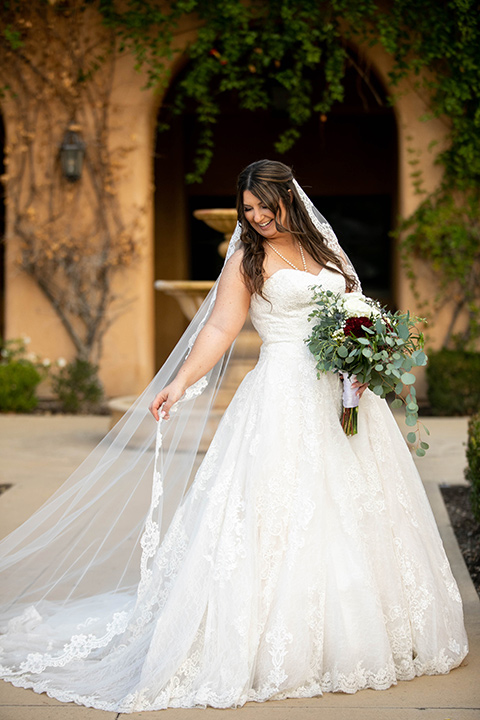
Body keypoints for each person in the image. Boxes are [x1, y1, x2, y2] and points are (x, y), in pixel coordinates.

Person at [0, 160, 468, 712]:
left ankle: (370, 630)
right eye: (247, 209)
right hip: (282, 395)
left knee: (357, 507)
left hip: (344, 396)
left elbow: (357, 311)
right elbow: (221, 327)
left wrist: (366, 357)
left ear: (288, 198)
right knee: (279, 510)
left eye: (264, 206)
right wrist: (178, 384)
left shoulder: (328, 253)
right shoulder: (245, 257)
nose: (257, 217)